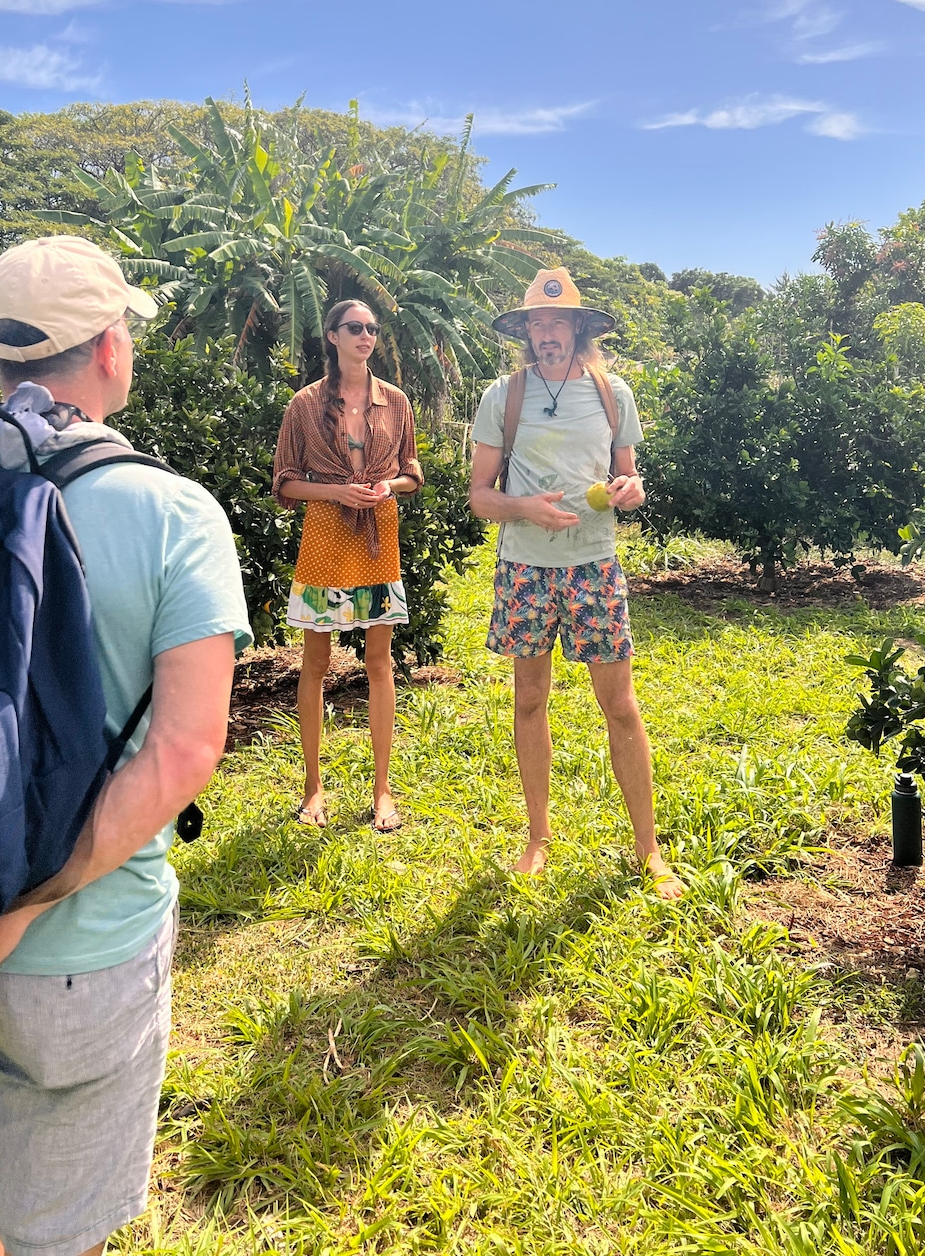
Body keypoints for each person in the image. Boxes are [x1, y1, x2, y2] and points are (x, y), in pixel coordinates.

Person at [0, 235, 251, 1256]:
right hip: (88, 944)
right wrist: (5, 925)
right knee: (55, 1238)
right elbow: (183, 752)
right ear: (111, 348)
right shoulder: (174, 515)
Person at [469, 267, 683, 893]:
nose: (546, 334)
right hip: (526, 568)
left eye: (557, 322)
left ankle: (649, 849)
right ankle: (538, 837)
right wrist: (524, 507)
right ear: (525, 332)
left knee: (620, 706)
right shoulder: (502, 396)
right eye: (537, 323)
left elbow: (630, 481)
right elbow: (481, 497)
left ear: (580, 328)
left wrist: (632, 490)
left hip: (594, 564)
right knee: (529, 701)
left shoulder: (612, 392)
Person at [272, 298, 423, 832]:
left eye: (372, 329)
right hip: (325, 540)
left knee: (379, 663)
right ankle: (313, 787)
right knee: (315, 663)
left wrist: (390, 486)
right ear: (332, 336)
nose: (366, 336)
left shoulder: (397, 402)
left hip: (379, 539)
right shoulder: (304, 405)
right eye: (355, 328)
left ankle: (383, 790)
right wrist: (336, 490)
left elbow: (411, 471)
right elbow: (285, 482)